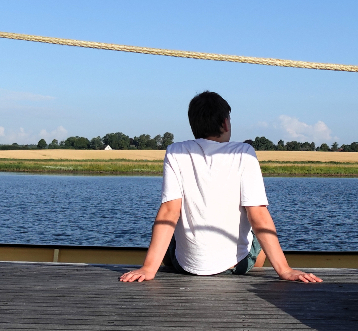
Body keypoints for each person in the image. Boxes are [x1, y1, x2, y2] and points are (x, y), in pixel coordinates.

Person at [119, 91, 322, 283]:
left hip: (186, 266)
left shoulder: (175, 151)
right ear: (225, 123)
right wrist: (286, 271)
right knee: (256, 240)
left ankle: (166, 263)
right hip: (237, 265)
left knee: (172, 234)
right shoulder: (244, 152)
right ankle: (254, 267)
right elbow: (258, 214)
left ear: (194, 125)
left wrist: (147, 269)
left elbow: (169, 211)